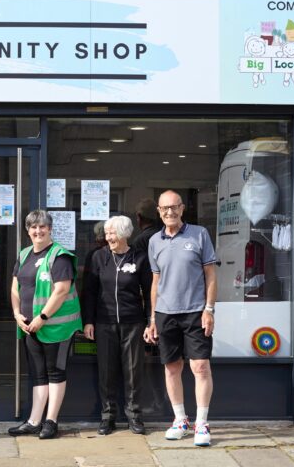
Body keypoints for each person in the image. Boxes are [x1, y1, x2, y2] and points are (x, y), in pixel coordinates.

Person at [144, 190, 217, 447]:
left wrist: (209, 309)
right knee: (172, 367)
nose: (169, 212)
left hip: (195, 312)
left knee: (200, 367)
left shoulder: (199, 234)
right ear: (159, 211)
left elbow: (210, 275)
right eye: (164, 208)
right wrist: (152, 318)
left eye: (174, 207)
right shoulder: (154, 241)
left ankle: (202, 423)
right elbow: (155, 281)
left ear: (183, 208)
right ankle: (180, 420)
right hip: (165, 314)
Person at [8, 210, 82, 440]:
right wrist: (17, 314)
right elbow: (14, 287)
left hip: (56, 327)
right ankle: (33, 421)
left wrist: (42, 318)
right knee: (38, 374)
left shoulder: (59, 256)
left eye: (42, 227)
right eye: (33, 227)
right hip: (29, 327)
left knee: (55, 372)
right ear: (27, 230)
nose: (37, 231)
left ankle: (51, 421)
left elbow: (61, 291)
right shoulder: (24, 254)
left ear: (50, 229)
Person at [82, 215, 152, 436]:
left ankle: (134, 415)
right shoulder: (97, 257)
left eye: (113, 233)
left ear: (125, 234)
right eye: (107, 233)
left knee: (133, 370)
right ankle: (107, 416)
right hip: (104, 322)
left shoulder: (139, 258)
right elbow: (90, 292)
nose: (108, 237)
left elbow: (151, 294)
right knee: (106, 370)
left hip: (133, 322)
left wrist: (150, 322)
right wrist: (88, 321)